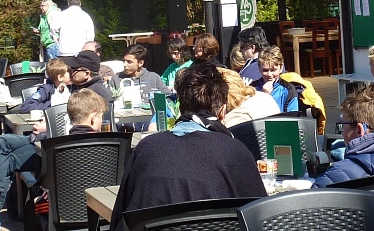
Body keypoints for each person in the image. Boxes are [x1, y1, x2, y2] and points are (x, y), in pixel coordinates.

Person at [109, 62, 267, 231]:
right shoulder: (236, 151)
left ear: (181, 107)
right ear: (222, 112)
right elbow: (261, 216)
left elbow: (120, 217)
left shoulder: (146, 148)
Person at [0, 89, 108, 231]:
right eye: (101, 116)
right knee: (8, 153)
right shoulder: (112, 144)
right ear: (93, 117)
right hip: (103, 211)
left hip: (61, 212)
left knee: (12, 165)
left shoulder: (56, 148)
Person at [251, 46, 298, 113]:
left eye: (273, 70)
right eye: (265, 70)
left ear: (281, 68)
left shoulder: (288, 90)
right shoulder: (252, 88)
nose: (269, 74)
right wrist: (263, 95)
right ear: (259, 68)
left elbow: (292, 116)